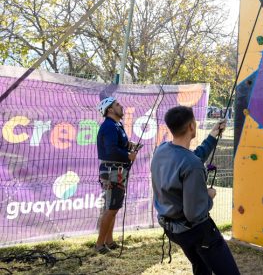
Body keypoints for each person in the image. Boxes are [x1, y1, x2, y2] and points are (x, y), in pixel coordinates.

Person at [151, 106, 239, 275]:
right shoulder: (191, 164)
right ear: (192, 126)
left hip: (173, 229)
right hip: (196, 231)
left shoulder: (162, 149)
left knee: (202, 267)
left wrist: (212, 136)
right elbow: (194, 213)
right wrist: (209, 196)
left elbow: (191, 158)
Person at [95, 96, 140, 254]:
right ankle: (100, 245)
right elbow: (111, 150)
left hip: (118, 170)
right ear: (110, 110)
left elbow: (119, 144)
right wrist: (128, 156)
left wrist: (130, 145)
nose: (121, 106)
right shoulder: (109, 126)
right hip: (112, 170)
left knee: (114, 207)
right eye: (117, 104)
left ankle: (110, 241)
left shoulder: (117, 125)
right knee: (112, 208)